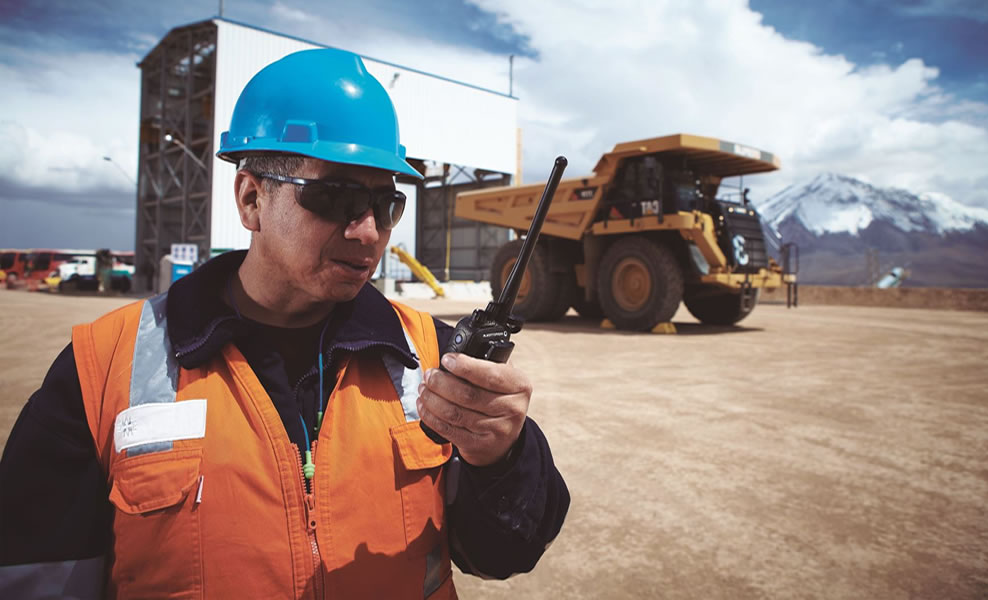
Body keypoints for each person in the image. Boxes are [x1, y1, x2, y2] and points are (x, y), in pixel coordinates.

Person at [0, 48, 569, 599]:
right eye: (335, 197)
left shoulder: (431, 355)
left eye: (385, 205)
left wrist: (503, 458)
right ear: (251, 200)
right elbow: (37, 576)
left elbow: (503, 556)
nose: (369, 232)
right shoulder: (102, 370)